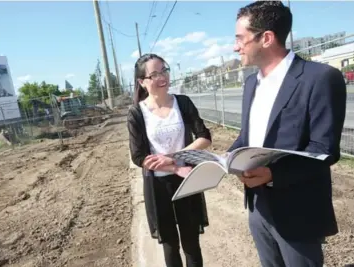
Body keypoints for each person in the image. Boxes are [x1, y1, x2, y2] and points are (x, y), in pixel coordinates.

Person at [227, 1, 347, 266]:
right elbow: (248, 136)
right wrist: (227, 158)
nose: (236, 47)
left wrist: (272, 174)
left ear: (266, 38)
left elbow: (324, 149)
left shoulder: (320, 78)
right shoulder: (251, 84)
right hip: (258, 205)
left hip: (298, 208)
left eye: (240, 39)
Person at [127, 53, 212, 267]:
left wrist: (173, 158)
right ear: (142, 82)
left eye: (164, 70)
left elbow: (204, 137)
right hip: (158, 185)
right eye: (154, 73)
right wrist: (174, 167)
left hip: (188, 179)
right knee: (170, 245)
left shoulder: (182, 103)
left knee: (191, 242)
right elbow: (138, 156)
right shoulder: (137, 113)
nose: (162, 76)